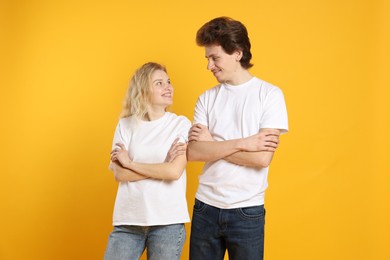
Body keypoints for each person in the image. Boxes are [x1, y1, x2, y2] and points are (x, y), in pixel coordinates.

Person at [187, 17, 289, 260]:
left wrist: (212, 143)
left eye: (215, 58)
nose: (209, 66)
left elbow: (262, 158)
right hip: (205, 207)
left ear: (237, 53)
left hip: (247, 211)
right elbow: (193, 153)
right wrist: (244, 143)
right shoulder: (206, 98)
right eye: (207, 59)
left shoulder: (270, 95)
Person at [104, 62, 191, 260]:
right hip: (128, 221)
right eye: (159, 83)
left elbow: (173, 172)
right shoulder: (125, 125)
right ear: (143, 90)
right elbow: (120, 174)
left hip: (167, 222)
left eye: (168, 82)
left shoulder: (180, 124)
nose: (168, 87)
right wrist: (162, 165)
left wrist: (130, 163)